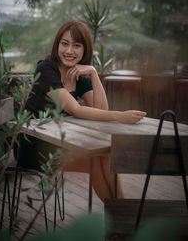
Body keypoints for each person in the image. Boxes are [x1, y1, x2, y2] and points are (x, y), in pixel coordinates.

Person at [14, 20, 146, 202]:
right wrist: (121, 116)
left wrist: (92, 72)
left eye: (76, 45)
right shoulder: (46, 69)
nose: (69, 51)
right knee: (100, 159)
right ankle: (122, 219)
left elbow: (101, 109)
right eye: (65, 44)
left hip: (59, 142)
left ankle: (121, 219)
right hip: (34, 145)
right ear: (57, 45)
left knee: (103, 157)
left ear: (85, 50)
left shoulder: (78, 73)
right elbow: (75, 109)